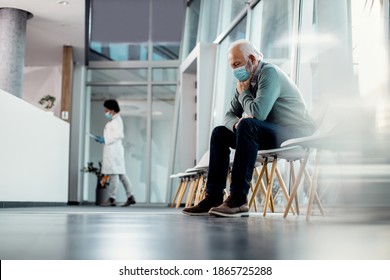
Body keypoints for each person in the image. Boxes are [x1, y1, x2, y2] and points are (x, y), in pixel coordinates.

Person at [182, 39, 316, 217]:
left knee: (248, 124)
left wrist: (244, 94)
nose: (235, 70)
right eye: (232, 66)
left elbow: (258, 114)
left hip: (296, 132)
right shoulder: (244, 82)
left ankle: (238, 199)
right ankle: (213, 196)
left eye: (237, 64)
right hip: (271, 131)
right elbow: (229, 115)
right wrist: (235, 123)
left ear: (252, 59)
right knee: (220, 133)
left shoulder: (269, 73)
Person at [95, 99, 136, 207]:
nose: (105, 112)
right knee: (122, 174)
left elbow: (119, 135)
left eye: (106, 110)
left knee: (114, 175)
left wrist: (105, 139)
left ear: (112, 110)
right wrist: (104, 139)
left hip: (114, 151)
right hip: (114, 150)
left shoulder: (116, 121)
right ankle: (130, 196)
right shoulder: (114, 120)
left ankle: (112, 198)